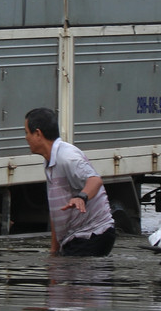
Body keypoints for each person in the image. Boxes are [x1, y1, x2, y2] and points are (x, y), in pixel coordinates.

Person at [24, 107, 116, 257]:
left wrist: (81, 197)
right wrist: (54, 251)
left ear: (38, 133)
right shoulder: (49, 161)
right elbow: (56, 211)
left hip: (93, 233)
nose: (26, 138)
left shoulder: (67, 157)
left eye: (27, 132)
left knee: (78, 277)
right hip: (75, 236)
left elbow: (95, 180)